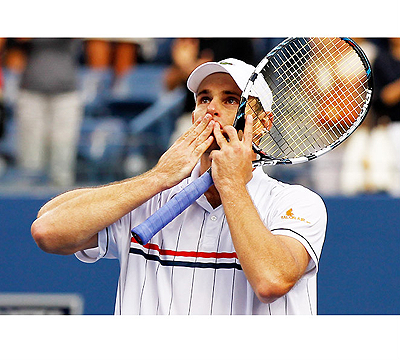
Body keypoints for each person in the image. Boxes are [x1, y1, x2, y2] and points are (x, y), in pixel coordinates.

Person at [31, 58, 327, 315]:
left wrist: (232, 184)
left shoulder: (296, 203)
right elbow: (47, 231)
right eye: (204, 99)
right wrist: (157, 178)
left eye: (230, 100)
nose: (212, 109)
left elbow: (272, 280)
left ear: (262, 124)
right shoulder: (149, 196)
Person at [15, 38, 83, 186]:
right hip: (31, 90)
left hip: (66, 93)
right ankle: (27, 199)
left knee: (62, 156)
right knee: (30, 159)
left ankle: (62, 203)